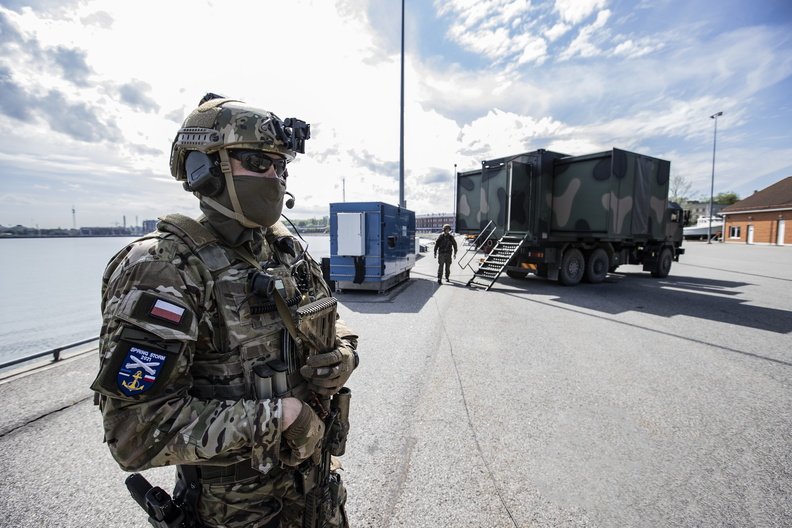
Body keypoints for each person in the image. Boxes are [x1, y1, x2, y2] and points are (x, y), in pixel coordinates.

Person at [90, 93, 359, 528]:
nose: (274, 176)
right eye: (256, 161)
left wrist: (343, 354)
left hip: (317, 493)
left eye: (280, 166)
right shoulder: (163, 268)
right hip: (235, 512)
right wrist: (280, 416)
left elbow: (331, 319)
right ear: (205, 169)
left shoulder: (288, 252)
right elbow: (134, 433)